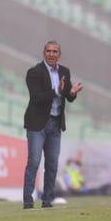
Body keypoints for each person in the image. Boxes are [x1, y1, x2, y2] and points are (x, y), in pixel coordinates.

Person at [23, 40, 83, 209]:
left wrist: (71, 93)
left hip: (55, 124)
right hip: (37, 124)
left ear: (59, 54)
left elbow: (68, 96)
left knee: (52, 164)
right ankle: (28, 201)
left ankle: (47, 201)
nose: (51, 54)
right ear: (44, 53)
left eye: (55, 51)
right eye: (48, 51)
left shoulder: (65, 71)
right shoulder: (34, 72)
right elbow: (36, 97)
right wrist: (57, 91)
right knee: (34, 162)